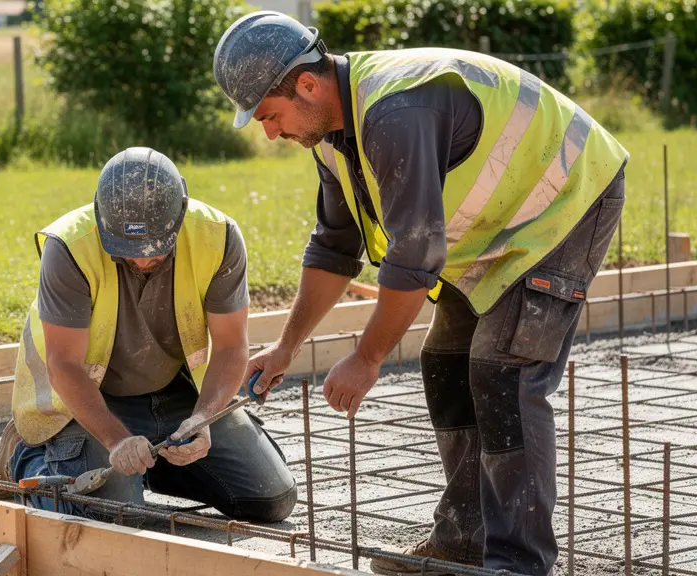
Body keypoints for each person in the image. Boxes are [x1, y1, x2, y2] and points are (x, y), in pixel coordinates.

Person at [212, 11, 628, 576]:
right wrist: (287, 346)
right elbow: (335, 248)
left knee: (504, 371)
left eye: (269, 114)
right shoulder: (331, 133)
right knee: (447, 361)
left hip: (566, 202)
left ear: (306, 84)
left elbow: (413, 258)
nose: (269, 132)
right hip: (493, 231)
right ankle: (464, 544)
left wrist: (367, 357)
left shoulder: (394, 111)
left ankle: (519, 564)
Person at [0, 147, 296, 524]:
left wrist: (203, 419)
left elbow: (230, 346)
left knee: (271, 499)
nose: (143, 260)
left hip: (174, 394)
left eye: (156, 248)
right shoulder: (70, 247)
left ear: (179, 217)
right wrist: (117, 441)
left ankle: (144, 468)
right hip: (86, 404)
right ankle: (24, 456)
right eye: (128, 250)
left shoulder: (218, 236)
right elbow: (63, 364)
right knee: (113, 518)